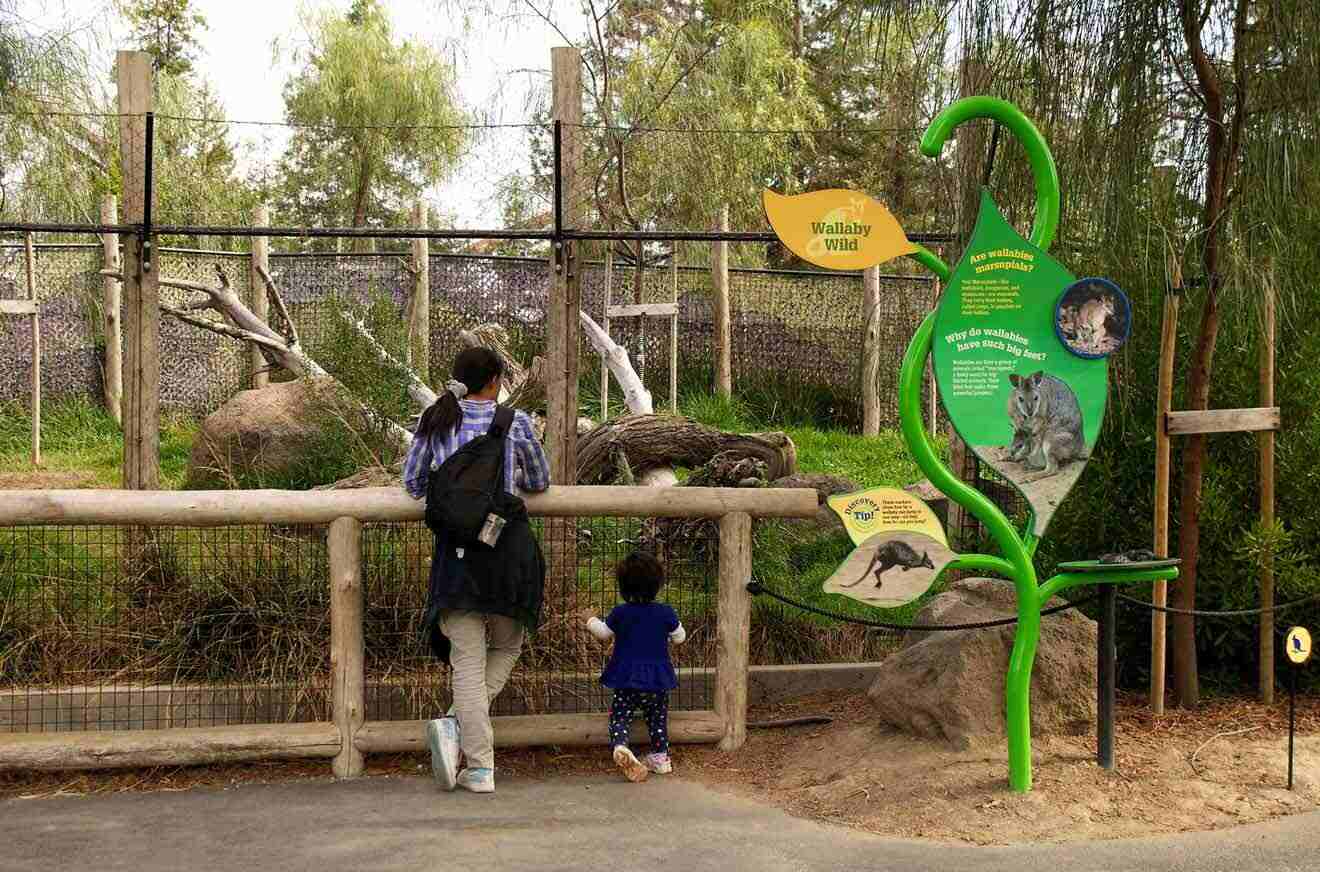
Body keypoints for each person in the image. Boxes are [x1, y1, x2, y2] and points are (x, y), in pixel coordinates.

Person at [403, 346, 550, 795]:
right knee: (507, 644)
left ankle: (478, 763)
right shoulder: (516, 422)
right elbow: (539, 480)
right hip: (506, 550)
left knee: (465, 662)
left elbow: (412, 483)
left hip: (457, 555)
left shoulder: (435, 419)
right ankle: (454, 729)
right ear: (496, 380)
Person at [580, 551, 687, 783]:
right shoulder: (665, 612)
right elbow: (680, 637)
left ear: (623, 586)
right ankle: (661, 757)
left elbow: (603, 634)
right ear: (657, 584)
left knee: (620, 716)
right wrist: (666, 636)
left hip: (627, 678)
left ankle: (621, 746)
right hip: (657, 680)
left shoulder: (621, 612)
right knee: (657, 717)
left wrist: (589, 619)